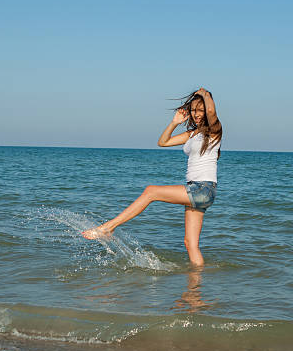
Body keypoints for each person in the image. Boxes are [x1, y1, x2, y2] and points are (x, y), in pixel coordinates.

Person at [82, 87, 222, 266]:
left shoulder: (214, 130)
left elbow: (211, 110)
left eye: (200, 110)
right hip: (197, 190)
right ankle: (196, 286)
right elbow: (162, 142)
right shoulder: (191, 134)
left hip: (203, 189)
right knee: (190, 243)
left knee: (151, 191)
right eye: (194, 110)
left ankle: (108, 228)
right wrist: (174, 122)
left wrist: (204, 94)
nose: (197, 114)